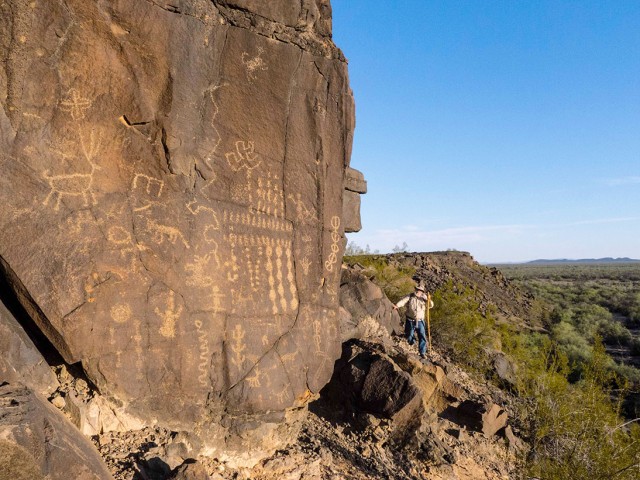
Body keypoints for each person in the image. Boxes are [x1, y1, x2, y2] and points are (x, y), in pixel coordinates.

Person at [393, 283, 434, 358]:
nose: (418, 291)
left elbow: (431, 305)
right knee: (409, 335)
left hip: (420, 320)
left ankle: (422, 352)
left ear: (422, 291)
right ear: (416, 289)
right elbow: (403, 301)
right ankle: (412, 341)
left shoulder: (424, 298)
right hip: (410, 320)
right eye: (417, 289)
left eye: (420, 290)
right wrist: (397, 305)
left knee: (422, 336)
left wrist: (429, 299)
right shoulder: (410, 296)